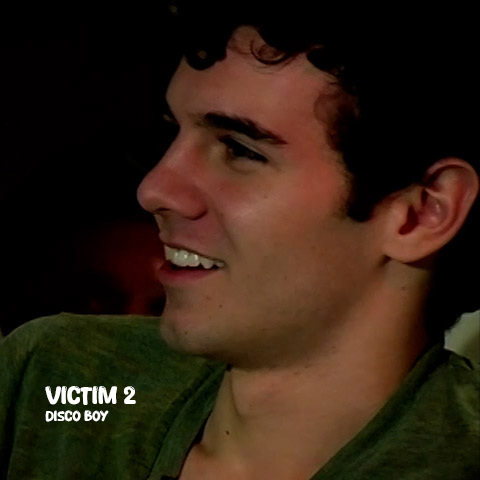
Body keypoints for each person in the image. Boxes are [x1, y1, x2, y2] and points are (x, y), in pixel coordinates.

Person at [1, 2, 479, 478]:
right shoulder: (55, 383)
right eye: (173, 134)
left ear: (421, 215)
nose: (154, 189)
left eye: (239, 149)